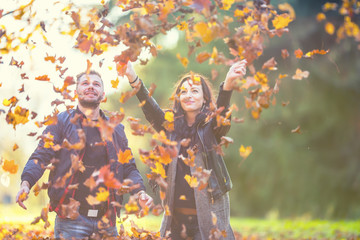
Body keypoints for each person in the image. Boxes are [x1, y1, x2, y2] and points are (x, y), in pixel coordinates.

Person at [16, 70, 153, 239]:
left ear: (102, 94)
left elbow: (128, 167)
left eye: (96, 84)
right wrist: (26, 182)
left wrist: (140, 192)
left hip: (107, 221)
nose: (90, 87)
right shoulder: (60, 122)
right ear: (76, 92)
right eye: (85, 83)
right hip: (71, 220)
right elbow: (41, 155)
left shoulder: (116, 129)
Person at [125, 60, 246, 239]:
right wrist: (133, 78)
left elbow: (221, 115)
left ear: (204, 98)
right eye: (184, 92)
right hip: (175, 221)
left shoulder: (211, 127)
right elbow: (151, 108)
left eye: (194, 91)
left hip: (208, 218)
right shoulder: (170, 127)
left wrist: (227, 85)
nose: (188, 95)